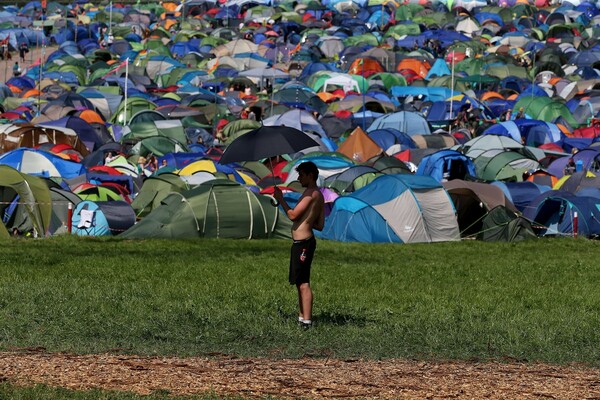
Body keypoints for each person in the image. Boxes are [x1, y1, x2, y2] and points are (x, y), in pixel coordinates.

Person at [273, 161, 325, 330]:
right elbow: (320, 224)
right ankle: (302, 316)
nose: (299, 178)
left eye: (302, 174)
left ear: (310, 175)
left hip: (304, 243)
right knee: (298, 282)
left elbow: (294, 215)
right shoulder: (317, 194)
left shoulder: (311, 193)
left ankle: (307, 322)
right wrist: (307, 220)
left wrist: (281, 199)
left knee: (303, 282)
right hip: (301, 242)